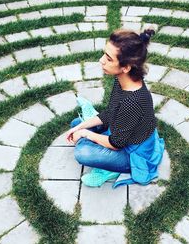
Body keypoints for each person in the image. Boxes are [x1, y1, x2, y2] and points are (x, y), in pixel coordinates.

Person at [66, 28, 165, 188]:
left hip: (131, 152)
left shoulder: (133, 101)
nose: (101, 60)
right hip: (122, 130)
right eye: (104, 54)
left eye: (108, 58)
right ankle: (90, 131)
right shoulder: (123, 80)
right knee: (75, 124)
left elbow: (116, 143)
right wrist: (80, 127)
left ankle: (111, 169)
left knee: (82, 151)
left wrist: (85, 133)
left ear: (126, 67)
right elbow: (111, 113)